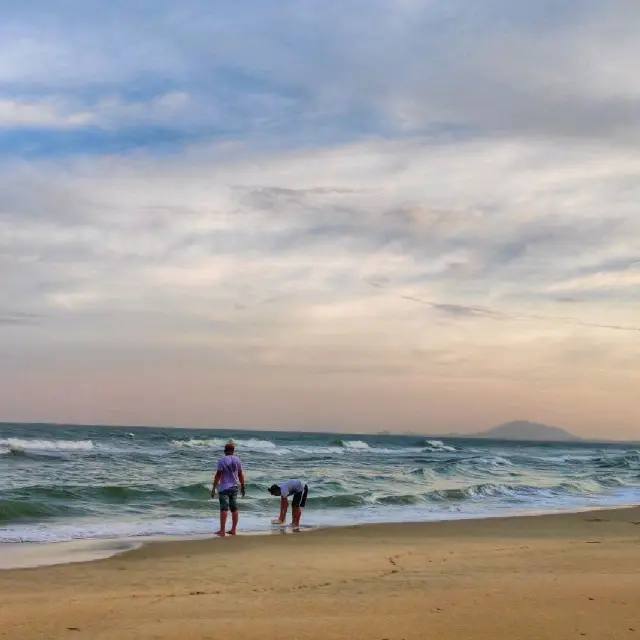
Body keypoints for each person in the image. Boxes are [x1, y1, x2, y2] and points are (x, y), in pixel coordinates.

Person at [211, 441, 245, 536]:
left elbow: (218, 475)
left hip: (224, 487)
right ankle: (233, 530)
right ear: (233, 451)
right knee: (234, 509)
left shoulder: (222, 460)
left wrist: (213, 488)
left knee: (224, 509)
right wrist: (243, 486)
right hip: (234, 486)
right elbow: (240, 474)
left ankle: (222, 530)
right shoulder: (237, 459)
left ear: (225, 451)